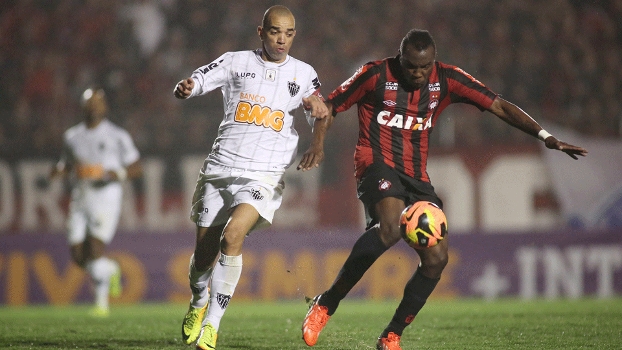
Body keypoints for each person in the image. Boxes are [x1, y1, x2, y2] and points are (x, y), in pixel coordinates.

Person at [301, 29, 588, 350]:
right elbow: (328, 107)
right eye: (411, 67)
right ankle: (326, 304)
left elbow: (499, 106)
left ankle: (391, 335)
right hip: (375, 163)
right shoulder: (375, 74)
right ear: (400, 59)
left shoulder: (447, 79)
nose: (418, 74)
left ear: (433, 62)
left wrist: (546, 137)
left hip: (416, 177)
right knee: (390, 229)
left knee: (437, 258)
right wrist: (318, 144)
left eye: (424, 68)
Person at [173, 5, 329, 350]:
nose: (282, 39)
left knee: (233, 236)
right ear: (261, 32)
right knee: (203, 256)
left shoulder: (303, 73)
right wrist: (188, 87)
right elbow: (199, 78)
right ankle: (199, 300)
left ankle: (212, 325)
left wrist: (317, 141)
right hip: (220, 168)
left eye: (289, 33)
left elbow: (321, 110)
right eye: (275, 31)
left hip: (264, 175)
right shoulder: (235, 61)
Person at [49, 87, 142, 317]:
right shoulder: (72, 136)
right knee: (78, 256)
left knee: (95, 248)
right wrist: (60, 171)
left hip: (106, 199)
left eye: (98, 102)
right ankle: (111, 269)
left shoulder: (117, 136)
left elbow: (136, 167)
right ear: (83, 107)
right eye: (90, 103)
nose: (94, 107)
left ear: (105, 107)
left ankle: (102, 305)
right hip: (80, 197)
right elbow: (68, 164)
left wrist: (116, 174)